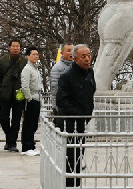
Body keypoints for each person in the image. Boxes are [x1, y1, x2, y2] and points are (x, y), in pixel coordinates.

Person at [57, 44, 96, 188]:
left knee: (79, 153)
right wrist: (77, 113)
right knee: (71, 155)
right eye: (83, 56)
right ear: (75, 59)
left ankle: (76, 182)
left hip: (82, 121)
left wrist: (88, 113)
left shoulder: (90, 72)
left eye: (89, 55)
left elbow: (91, 92)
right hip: (69, 122)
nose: (87, 59)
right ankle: (70, 184)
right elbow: (61, 100)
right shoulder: (66, 76)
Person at [0, 38, 27, 152]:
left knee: (16, 120)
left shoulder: (24, 61)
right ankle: (9, 138)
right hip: (5, 94)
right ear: (9, 48)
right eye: (13, 46)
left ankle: (12, 143)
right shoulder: (2, 60)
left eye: (18, 46)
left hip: (19, 94)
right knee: (3, 118)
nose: (16, 48)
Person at [20, 46, 42, 156]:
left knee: (33, 124)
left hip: (37, 98)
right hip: (31, 99)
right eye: (33, 54)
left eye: (37, 54)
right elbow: (25, 86)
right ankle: (26, 147)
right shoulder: (27, 69)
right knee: (28, 123)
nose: (35, 56)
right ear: (27, 56)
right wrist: (29, 98)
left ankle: (31, 146)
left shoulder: (35, 68)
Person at [49, 43, 73, 116]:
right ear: (62, 53)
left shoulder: (77, 66)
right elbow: (55, 89)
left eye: (73, 50)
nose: (71, 53)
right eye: (68, 50)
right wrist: (55, 107)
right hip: (62, 106)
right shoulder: (57, 68)